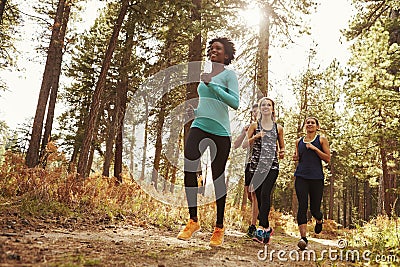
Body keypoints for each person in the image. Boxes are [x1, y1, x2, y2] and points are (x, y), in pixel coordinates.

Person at [177, 37, 239, 247]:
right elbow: (207, 103)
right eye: (211, 48)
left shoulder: (229, 75)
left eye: (218, 49)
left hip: (220, 131)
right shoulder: (205, 74)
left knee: (218, 177)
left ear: (227, 55)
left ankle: (219, 228)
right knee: (188, 167)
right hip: (200, 126)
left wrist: (212, 85)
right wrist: (194, 111)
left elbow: (235, 102)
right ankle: (193, 220)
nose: (214, 51)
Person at [243, 97, 285, 244]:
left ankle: (260, 228)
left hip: (272, 166)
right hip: (256, 167)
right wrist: (256, 136)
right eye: (263, 105)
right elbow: (244, 144)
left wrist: (282, 152)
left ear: (272, 109)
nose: (266, 107)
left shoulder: (278, 128)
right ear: (260, 109)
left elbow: (282, 146)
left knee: (266, 194)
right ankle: (267, 228)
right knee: (259, 198)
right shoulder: (255, 125)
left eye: (269, 105)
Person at [293, 117, 331, 250]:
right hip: (301, 176)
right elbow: (297, 157)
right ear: (305, 126)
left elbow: (327, 158)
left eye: (312, 123)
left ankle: (319, 220)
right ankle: (303, 238)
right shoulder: (298, 141)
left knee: (315, 209)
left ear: (317, 126)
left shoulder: (321, 140)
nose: (309, 124)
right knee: (302, 205)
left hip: (316, 178)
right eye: (307, 122)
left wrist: (315, 149)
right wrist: (296, 157)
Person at [233, 104, 259, 238]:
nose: (255, 113)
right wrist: (244, 132)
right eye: (253, 112)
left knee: (254, 193)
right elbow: (237, 145)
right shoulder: (249, 127)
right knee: (249, 194)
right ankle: (258, 211)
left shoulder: (267, 127)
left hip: (260, 164)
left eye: (257, 111)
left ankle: (253, 226)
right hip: (248, 163)